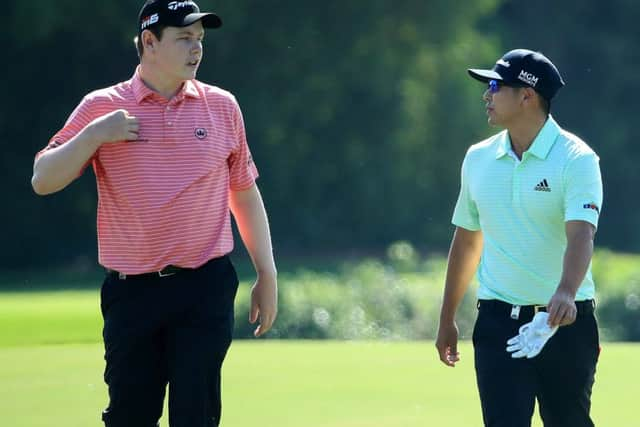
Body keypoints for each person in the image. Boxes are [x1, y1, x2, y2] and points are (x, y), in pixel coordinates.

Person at [31, 1, 278, 425]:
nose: (196, 48)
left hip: (204, 287)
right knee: (130, 416)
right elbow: (43, 179)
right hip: (133, 295)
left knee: (195, 415)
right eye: (184, 38)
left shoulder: (222, 106)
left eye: (199, 39)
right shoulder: (102, 107)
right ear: (149, 42)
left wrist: (267, 273)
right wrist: (95, 135)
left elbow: (244, 192)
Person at [435, 49, 603, 427]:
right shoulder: (477, 158)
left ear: (527, 95)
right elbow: (467, 241)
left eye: (495, 86)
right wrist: (447, 318)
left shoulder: (577, 159)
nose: (486, 95)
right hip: (497, 323)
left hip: (565, 322)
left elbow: (581, 234)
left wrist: (564, 290)